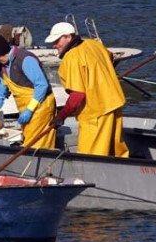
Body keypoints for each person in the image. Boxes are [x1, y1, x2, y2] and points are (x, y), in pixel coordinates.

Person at [45, 22, 129, 157]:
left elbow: (77, 95)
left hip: (95, 111)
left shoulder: (71, 58)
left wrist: (61, 116)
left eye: (56, 40)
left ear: (68, 37)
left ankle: (93, 177)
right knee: (116, 150)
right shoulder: (93, 44)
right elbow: (110, 57)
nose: (54, 45)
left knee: (91, 155)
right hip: (114, 102)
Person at [0, 35, 56, 149]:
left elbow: (42, 85)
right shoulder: (2, 66)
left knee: (38, 144)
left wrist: (30, 109)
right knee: (28, 140)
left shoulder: (25, 59)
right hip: (26, 109)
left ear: (0, 54)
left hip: (41, 107)